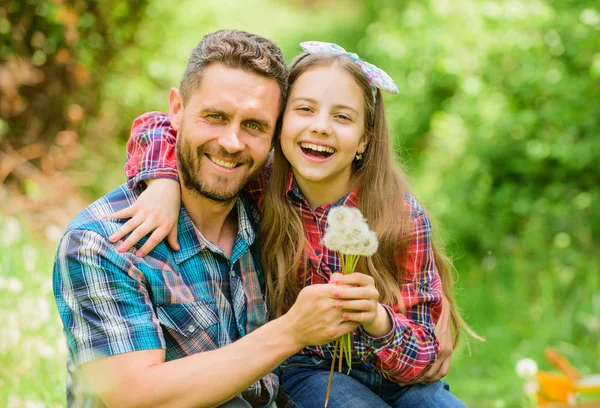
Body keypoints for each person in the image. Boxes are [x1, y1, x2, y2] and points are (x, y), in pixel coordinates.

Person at [109, 41, 481, 407]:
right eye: (305, 109)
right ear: (279, 124)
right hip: (309, 369)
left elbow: (427, 354)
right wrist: (162, 180)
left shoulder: (398, 215)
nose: (320, 127)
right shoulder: (261, 185)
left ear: (365, 139)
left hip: (397, 376)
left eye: (342, 116)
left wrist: (378, 318)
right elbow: (157, 124)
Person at [52, 30, 362, 408]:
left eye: (254, 125)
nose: (232, 142)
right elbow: (134, 395)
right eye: (215, 117)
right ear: (177, 110)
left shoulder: (271, 211)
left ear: (274, 133)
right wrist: (291, 332)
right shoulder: (103, 242)